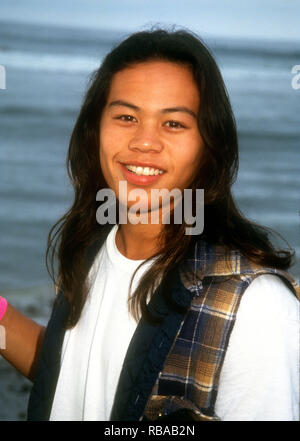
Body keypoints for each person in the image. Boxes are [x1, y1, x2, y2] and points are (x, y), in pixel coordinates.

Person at [0, 27, 299, 422]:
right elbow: (69, 377)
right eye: (126, 116)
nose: (144, 142)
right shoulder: (92, 246)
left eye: (173, 123)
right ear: (94, 130)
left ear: (210, 147)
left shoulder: (255, 306)